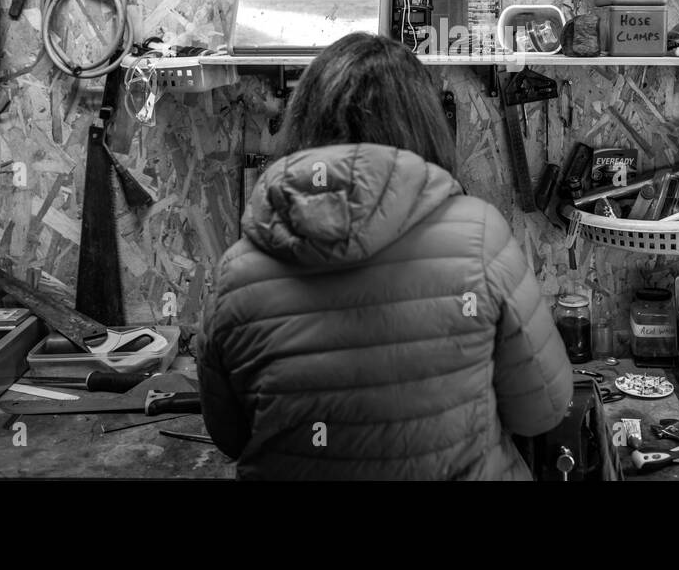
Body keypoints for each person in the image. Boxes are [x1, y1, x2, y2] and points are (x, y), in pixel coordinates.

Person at [197, 32, 573, 479]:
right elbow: (543, 411)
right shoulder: (479, 239)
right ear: (426, 125)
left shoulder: (238, 273)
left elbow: (231, 437)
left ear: (302, 122)